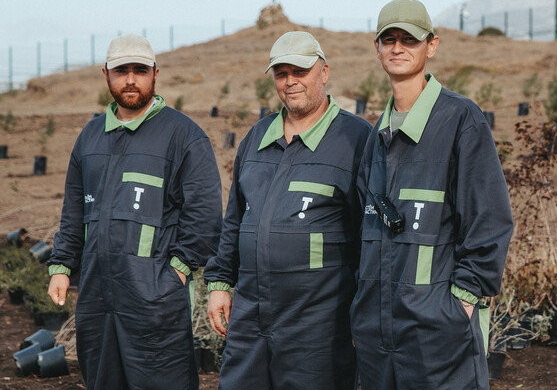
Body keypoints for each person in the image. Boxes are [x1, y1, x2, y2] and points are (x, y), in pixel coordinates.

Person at [352, 0, 513, 389]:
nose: (397, 47)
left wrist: (459, 303)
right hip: (378, 332)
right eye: (388, 39)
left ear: (432, 45)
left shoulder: (461, 120)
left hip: (438, 332)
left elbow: (489, 222)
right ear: (377, 49)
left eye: (409, 38)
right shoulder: (376, 134)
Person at [46, 34, 223, 390]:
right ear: (105, 74)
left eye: (139, 70)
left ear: (155, 73)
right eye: (121, 70)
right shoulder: (91, 136)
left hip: (155, 300)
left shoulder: (183, 135)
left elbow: (204, 214)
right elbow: (74, 209)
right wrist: (62, 267)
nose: (130, 79)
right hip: (96, 295)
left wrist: (178, 270)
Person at [204, 31, 372, 389]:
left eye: (301, 71)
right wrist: (220, 283)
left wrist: (364, 309)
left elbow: (369, 236)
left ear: (324, 72)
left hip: (319, 326)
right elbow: (235, 218)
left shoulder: (355, 140)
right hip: (250, 317)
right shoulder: (257, 137)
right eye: (281, 73)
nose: (291, 81)